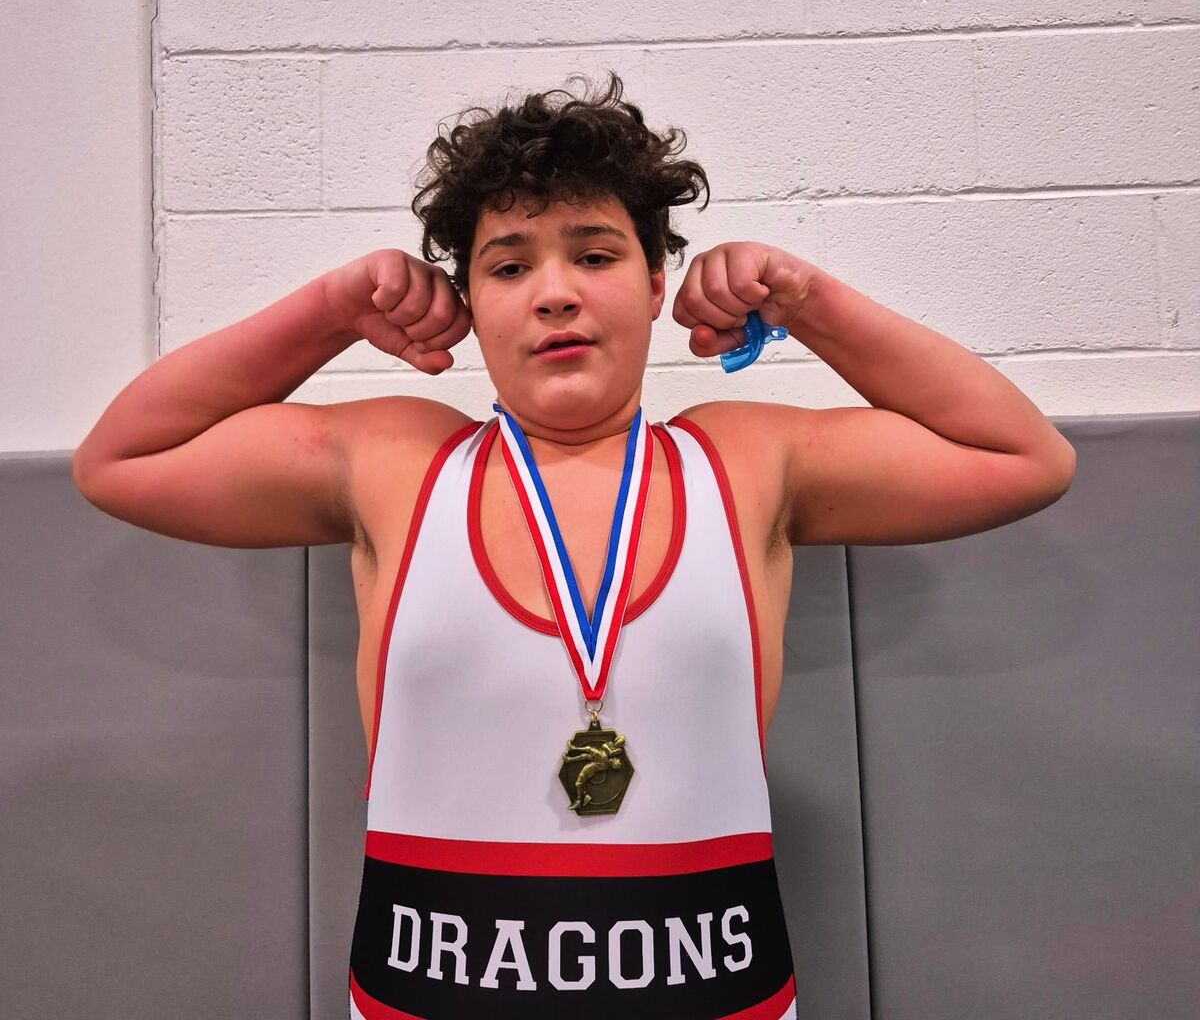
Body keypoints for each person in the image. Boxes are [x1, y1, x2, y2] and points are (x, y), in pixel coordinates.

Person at [72, 70, 1076, 1019]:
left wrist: (804, 303)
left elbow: (1022, 457)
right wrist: (332, 312)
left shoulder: (749, 461)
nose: (554, 292)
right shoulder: (397, 461)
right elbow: (123, 460)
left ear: (653, 284)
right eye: (509, 265)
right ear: (468, 303)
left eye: (595, 255)